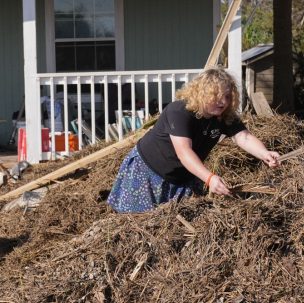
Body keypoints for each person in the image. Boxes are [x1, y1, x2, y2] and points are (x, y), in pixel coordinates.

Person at [107, 67, 280, 213]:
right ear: (200, 94)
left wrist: (264, 153)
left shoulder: (224, 116)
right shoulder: (179, 111)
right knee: (140, 227)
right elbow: (184, 152)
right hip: (148, 172)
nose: (223, 102)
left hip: (184, 177)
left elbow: (244, 137)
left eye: (227, 96)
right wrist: (210, 178)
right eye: (216, 96)